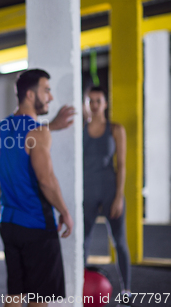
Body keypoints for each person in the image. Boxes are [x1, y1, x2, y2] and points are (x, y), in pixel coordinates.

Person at [0, 69, 74, 307]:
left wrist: (52, 126)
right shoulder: (38, 133)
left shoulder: (1, 128)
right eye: (46, 90)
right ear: (30, 94)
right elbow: (46, 180)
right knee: (39, 298)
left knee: (15, 294)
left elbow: (24, 141)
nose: (50, 97)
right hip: (36, 224)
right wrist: (65, 212)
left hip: (8, 223)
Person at [83, 86, 131, 300]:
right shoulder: (79, 130)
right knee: (82, 241)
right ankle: (80, 288)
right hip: (87, 192)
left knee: (119, 242)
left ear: (105, 103)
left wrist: (119, 197)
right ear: (86, 104)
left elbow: (121, 165)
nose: (94, 105)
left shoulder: (115, 129)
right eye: (90, 101)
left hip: (110, 190)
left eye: (98, 101)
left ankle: (126, 291)